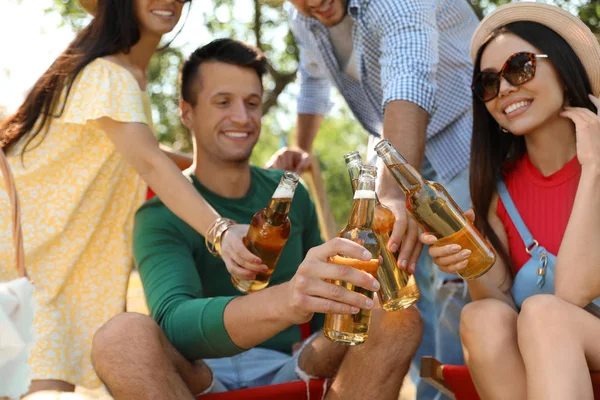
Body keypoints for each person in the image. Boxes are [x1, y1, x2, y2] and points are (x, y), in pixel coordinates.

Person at [90, 38, 422, 400]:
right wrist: (288, 300)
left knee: (395, 315)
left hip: (292, 368)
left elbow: (323, 316)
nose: (242, 117)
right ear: (186, 112)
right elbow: (174, 325)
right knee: (119, 337)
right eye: (223, 102)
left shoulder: (291, 196)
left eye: (252, 103)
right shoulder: (159, 214)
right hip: (198, 377)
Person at [0, 0, 256, 393]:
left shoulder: (123, 75)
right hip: (35, 254)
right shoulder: (108, 74)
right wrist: (221, 232)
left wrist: (227, 167)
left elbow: (141, 153)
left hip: (63, 257)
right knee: (43, 384)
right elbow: (151, 163)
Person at [265, 0, 479, 396]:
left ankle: (461, 392)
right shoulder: (303, 17)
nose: (312, 2)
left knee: (457, 278)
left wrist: (393, 193)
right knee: (401, 285)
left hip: (461, 134)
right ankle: (430, 391)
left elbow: (408, 79)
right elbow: (313, 76)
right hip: (392, 141)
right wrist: (302, 148)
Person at [420, 3, 600, 399]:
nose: (504, 90)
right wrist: (466, 260)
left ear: (565, 71)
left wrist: (593, 171)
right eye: (488, 82)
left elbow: (571, 296)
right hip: (547, 360)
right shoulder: (498, 190)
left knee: (545, 312)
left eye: (520, 68)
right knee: (480, 316)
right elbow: (500, 304)